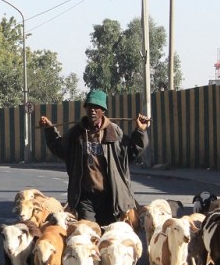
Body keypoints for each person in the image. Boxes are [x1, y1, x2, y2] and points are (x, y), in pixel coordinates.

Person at [39, 89, 150, 226]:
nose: (92, 110)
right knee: (87, 232)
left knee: (108, 235)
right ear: (85, 108)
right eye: (89, 106)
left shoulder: (113, 132)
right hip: (85, 197)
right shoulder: (76, 133)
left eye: (96, 107)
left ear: (103, 111)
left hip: (110, 196)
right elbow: (61, 149)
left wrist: (140, 131)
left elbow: (131, 151)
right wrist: (49, 130)